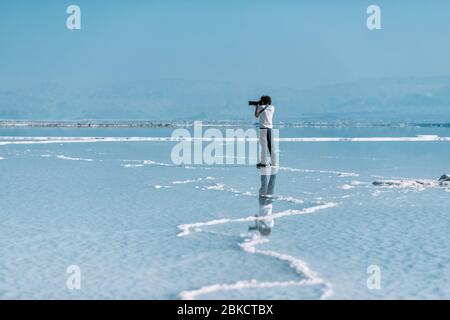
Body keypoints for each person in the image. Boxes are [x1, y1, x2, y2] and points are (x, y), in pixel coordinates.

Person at [254, 95, 276, 168]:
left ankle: (263, 163)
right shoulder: (272, 108)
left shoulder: (261, 107)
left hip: (263, 129)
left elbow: (256, 115)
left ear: (263, 101)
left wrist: (257, 106)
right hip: (270, 128)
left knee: (263, 146)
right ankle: (273, 162)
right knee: (271, 146)